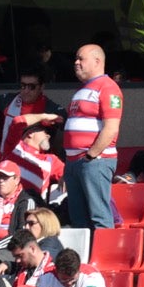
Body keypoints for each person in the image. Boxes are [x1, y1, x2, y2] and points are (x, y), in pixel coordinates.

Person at [51, 44, 122, 229]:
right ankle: (84, 257)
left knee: (100, 217)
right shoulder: (82, 89)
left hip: (94, 161)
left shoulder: (108, 87)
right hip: (75, 162)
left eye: (81, 59)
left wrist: (91, 155)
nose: (76, 63)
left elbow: (111, 127)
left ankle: (105, 257)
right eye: (76, 58)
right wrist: (69, 164)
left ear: (97, 61)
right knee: (78, 219)